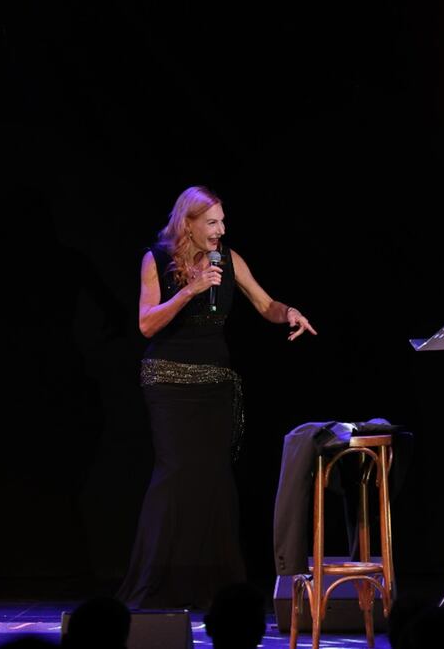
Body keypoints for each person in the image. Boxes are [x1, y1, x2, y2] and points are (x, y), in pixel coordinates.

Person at [117, 185, 316, 610]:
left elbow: (265, 303)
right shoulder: (156, 260)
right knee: (175, 477)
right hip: (169, 382)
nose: (220, 230)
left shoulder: (229, 259)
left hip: (215, 386)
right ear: (187, 223)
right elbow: (146, 324)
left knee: (214, 480)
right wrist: (190, 290)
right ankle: (155, 584)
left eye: (222, 222)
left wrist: (289, 312)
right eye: (212, 222)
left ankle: (213, 588)